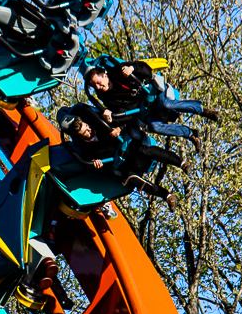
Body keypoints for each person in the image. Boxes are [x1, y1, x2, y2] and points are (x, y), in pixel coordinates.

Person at [58, 102, 190, 212]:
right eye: (85, 132)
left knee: (143, 150)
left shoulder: (96, 119)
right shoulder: (81, 146)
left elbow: (122, 120)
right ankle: (167, 196)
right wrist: (96, 164)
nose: (89, 130)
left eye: (87, 126)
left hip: (128, 145)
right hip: (118, 161)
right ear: (79, 136)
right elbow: (89, 160)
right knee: (130, 179)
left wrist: (118, 129)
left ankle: (182, 163)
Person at [84, 59, 221, 153]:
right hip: (142, 109)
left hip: (152, 92)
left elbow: (145, 69)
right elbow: (124, 115)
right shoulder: (106, 99)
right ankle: (191, 134)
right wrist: (112, 118)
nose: (98, 86)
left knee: (165, 104)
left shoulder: (118, 71)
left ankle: (203, 111)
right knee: (154, 126)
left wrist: (132, 68)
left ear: (105, 75)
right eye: (94, 85)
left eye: (98, 81)